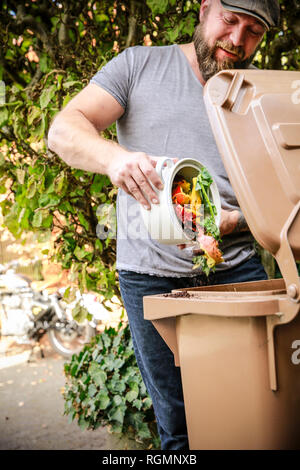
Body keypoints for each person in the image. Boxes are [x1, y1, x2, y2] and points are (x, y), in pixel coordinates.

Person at [48, 0, 280, 450]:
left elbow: (282, 195)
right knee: (177, 423)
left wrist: (238, 223)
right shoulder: (138, 64)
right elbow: (63, 129)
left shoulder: (260, 94)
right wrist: (116, 159)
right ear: (206, 7)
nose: (237, 40)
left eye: (253, 31)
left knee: (259, 411)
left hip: (237, 270)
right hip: (149, 279)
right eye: (230, 21)